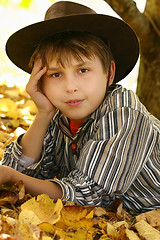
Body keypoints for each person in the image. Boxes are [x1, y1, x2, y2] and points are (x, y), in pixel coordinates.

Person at [1, 1, 160, 212]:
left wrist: (12, 177)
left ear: (109, 73)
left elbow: (88, 196)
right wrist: (43, 114)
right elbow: (24, 173)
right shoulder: (58, 116)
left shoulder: (123, 114)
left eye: (83, 70)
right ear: (40, 81)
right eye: (56, 74)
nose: (70, 87)